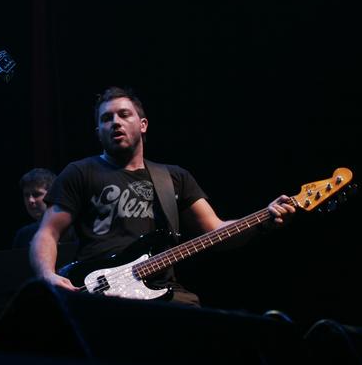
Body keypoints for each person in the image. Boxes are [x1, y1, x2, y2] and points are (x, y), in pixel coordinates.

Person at [30, 86, 295, 305]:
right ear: (98, 131)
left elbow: (216, 231)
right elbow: (47, 234)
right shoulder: (80, 172)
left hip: (162, 290)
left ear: (143, 124)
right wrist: (46, 275)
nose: (115, 123)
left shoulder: (174, 177)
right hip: (100, 293)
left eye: (124, 115)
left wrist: (264, 219)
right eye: (106, 119)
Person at [12, 167, 76, 248]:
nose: (30, 200)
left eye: (36, 194)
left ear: (53, 194)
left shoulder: (75, 230)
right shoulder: (23, 235)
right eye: (26, 195)